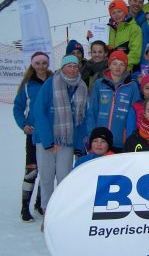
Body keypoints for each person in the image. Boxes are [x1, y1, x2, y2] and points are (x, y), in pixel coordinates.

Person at [33, 55, 88, 226]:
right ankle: (47, 213)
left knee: (64, 178)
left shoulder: (82, 86)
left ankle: (61, 213)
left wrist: (79, 146)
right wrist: (48, 140)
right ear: (62, 67)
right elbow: (39, 111)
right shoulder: (51, 83)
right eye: (69, 66)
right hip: (47, 140)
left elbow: (82, 119)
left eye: (75, 66)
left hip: (68, 140)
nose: (72, 69)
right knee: (47, 178)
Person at [13, 52, 52, 222]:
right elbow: (18, 107)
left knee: (46, 170)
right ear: (33, 64)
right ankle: (24, 207)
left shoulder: (54, 81)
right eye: (38, 63)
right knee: (32, 170)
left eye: (44, 62)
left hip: (49, 134)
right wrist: (23, 124)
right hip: (34, 134)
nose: (41, 66)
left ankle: (39, 203)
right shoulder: (28, 85)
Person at [87, 51, 140, 152]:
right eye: (115, 63)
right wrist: (91, 135)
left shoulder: (132, 86)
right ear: (109, 65)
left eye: (122, 64)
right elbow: (92, 112)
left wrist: (131, 138)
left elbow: (135, 114)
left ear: (126, 67)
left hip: (121, 140)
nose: (118, 67)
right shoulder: (99, 83)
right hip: (100, 141)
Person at [107, 0, 142, 72]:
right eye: (113, 13)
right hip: (110, 70)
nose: (116, 15)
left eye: (119, 11)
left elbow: (135, 54)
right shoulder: (108, 29)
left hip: (126, 71)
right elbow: (101, 50)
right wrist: (92, 38)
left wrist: (120, 66)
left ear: (125, 12)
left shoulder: (134, 28)